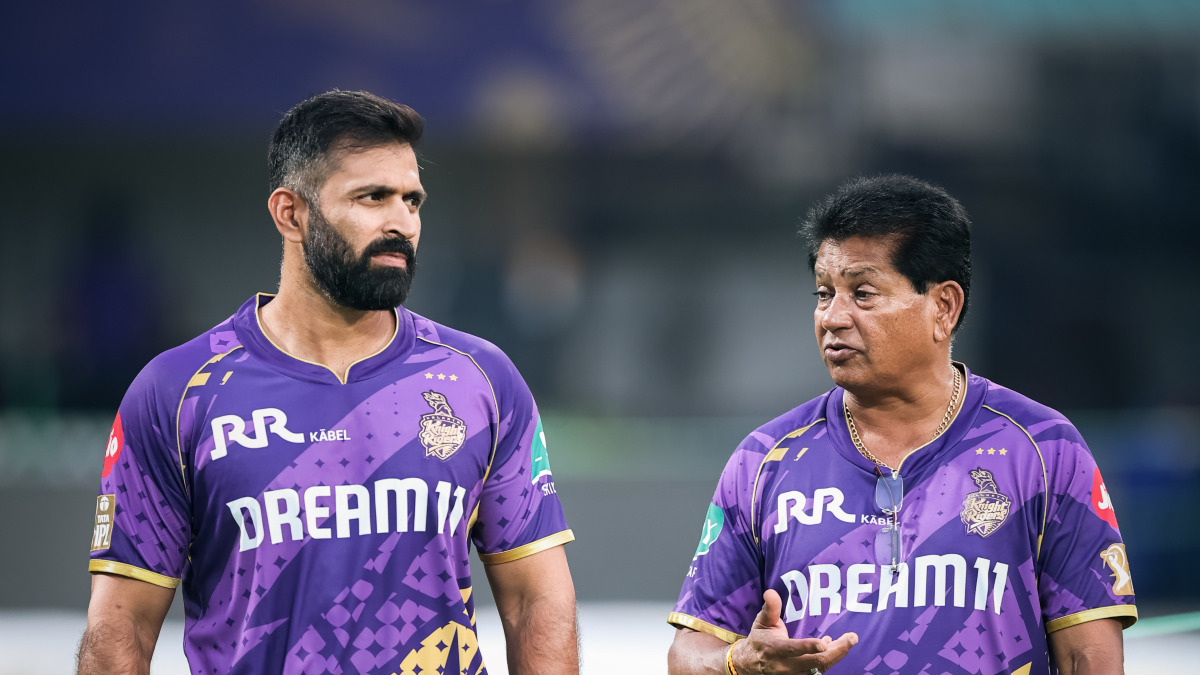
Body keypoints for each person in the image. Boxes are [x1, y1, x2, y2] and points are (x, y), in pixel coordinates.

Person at [78, 90, 578, 675]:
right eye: (372, 198)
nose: (402, 223)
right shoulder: (177, 391)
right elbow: (122, 625)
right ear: (291, 213)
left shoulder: (481, 379)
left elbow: (534, 601)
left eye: (412, 201)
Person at [667, 175, 1135, 675]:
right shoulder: (765, 461)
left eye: (863, 293)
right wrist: (743, 661)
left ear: (944, 307)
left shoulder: (1043, 450)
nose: (833, 317)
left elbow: (1088, 657)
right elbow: (688, 655)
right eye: (824, 294)